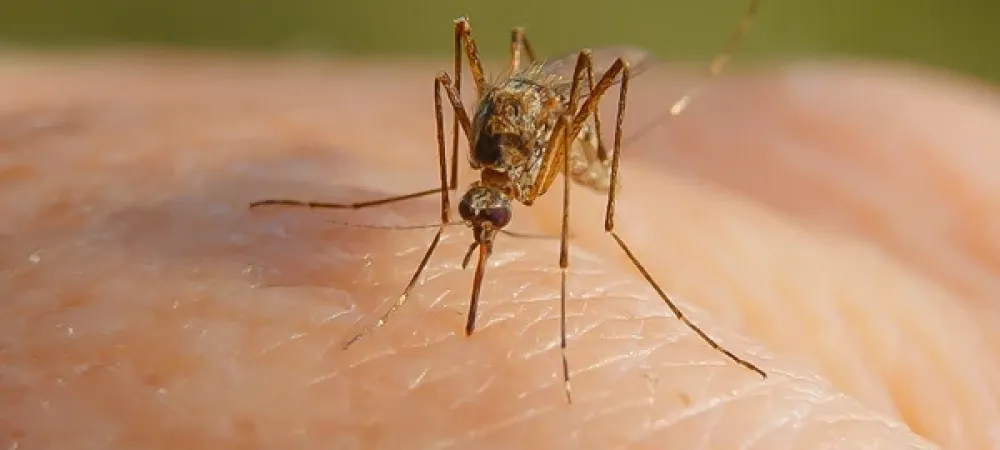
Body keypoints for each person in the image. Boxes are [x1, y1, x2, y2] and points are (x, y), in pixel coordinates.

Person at [0, 55, 996, 449]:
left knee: (556, 90)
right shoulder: (480, 172)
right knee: (463, 66)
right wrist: (442, 195)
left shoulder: (523, 165)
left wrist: (574, 244)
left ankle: (593, 270)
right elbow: (463, 100)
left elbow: (570, 92)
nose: (479, 222)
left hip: (559, 137)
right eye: (477, 211)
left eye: (479, 211)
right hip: (510, 127)